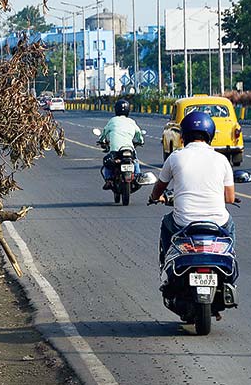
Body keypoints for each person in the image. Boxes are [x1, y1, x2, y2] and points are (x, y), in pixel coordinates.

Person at [148, 111, 236, 268]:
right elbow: (229, 198)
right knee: (230, 224)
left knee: (166, 222)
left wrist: (155, 197)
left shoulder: (175, 157)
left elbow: (159, 188)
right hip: (217, 223)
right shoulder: (221, 160)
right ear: (210, 135)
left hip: (183, 223)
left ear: (183, 136)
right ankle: (229, 258)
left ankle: (168, 262)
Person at [97, 99, 145, 190]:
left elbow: (104, 132)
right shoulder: (131, 121)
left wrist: (101, 140)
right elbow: (138, 133)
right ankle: (138, 176)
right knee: (135, 161)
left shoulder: (113, 121)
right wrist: (141, 141)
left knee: (108, 162)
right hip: (129, 149)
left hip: (116, 150)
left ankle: (109, 180)